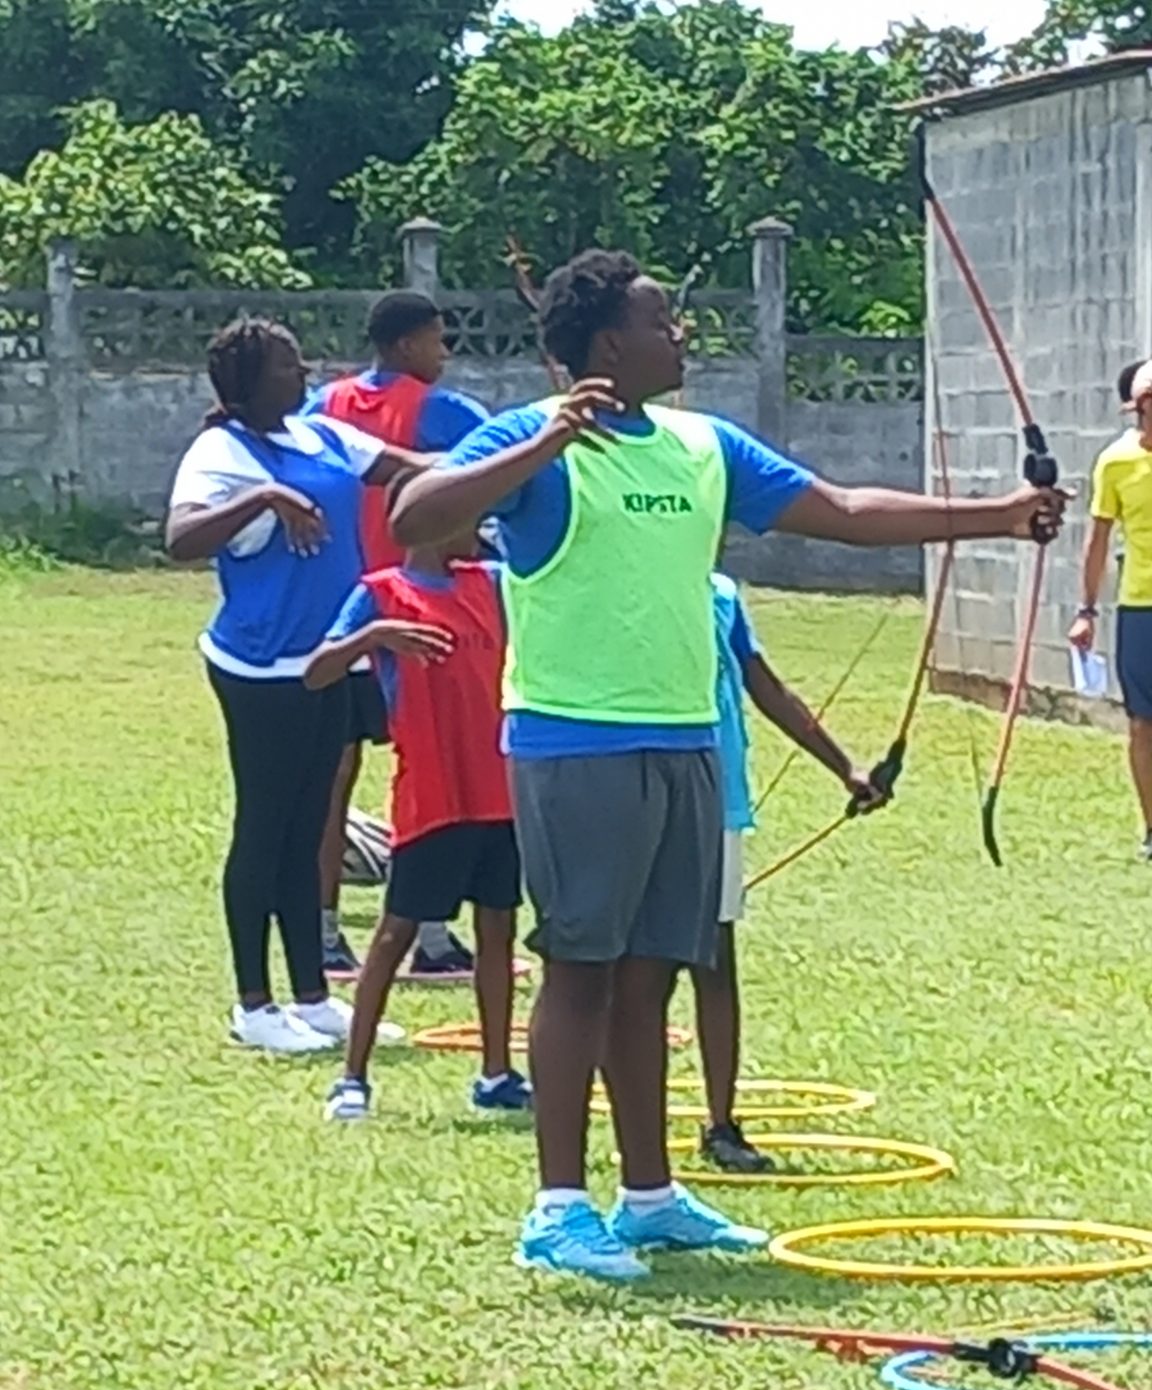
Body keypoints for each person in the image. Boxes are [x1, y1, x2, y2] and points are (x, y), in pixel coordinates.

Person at [390, 247, 1067, 1283]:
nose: (682, 335)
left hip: (685, 738)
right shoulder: (532, 437)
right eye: (662, 321)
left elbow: (843, 511)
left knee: (651, 973)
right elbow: (416, 517)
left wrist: (999, 519)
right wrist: (543, 443)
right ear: (609, 343)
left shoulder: (703, 445)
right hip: (575, 741)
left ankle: (650, 1198)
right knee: (580, 968)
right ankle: (558, 1210)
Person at [166, 318, 434, 1054]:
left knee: (311, 826)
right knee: (267, 828)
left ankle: (312, 998)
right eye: (286, 365)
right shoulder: (222, 452)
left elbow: (409, 467)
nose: (304, 372)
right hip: (263, 669)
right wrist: (263, 498)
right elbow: (181, 538)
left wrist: (505, 458)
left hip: (329, 660)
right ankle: (254, 1005)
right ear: (247, 383)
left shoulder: (319, 435)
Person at [304, 526, 531, 1119]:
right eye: (466, 517)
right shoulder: (381, 592)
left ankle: (497, 1073)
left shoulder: (494, 584)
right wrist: (374, 637)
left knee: (497, 931)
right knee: (394, 933)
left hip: (499, 792)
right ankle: (352, 1078)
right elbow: (316, 672)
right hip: (432, 795)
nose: (480, 530)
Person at [307, 291, 492, 983]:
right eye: (439, 341)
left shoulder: (322, 405)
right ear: (408, 344)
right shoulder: (443, 410)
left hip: (344, 609)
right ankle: (434, 934)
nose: (445, 353)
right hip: (420, 609)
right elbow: (499, 466)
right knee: (432, 768)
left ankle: (323, 931)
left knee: (335, 777)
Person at [690, 572, 888, 1174]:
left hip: (717, 800)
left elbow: (767, 687)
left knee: (714, 962)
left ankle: (722, 1123)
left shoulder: (722, 596)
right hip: (637, 791)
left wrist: (845, 768)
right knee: (624, 968)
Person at [1070, 357, 1152, 857]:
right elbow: (1098, 539)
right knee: (1143, 722)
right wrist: (1086, 610)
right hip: (1141, 608)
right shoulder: (1115, 462)